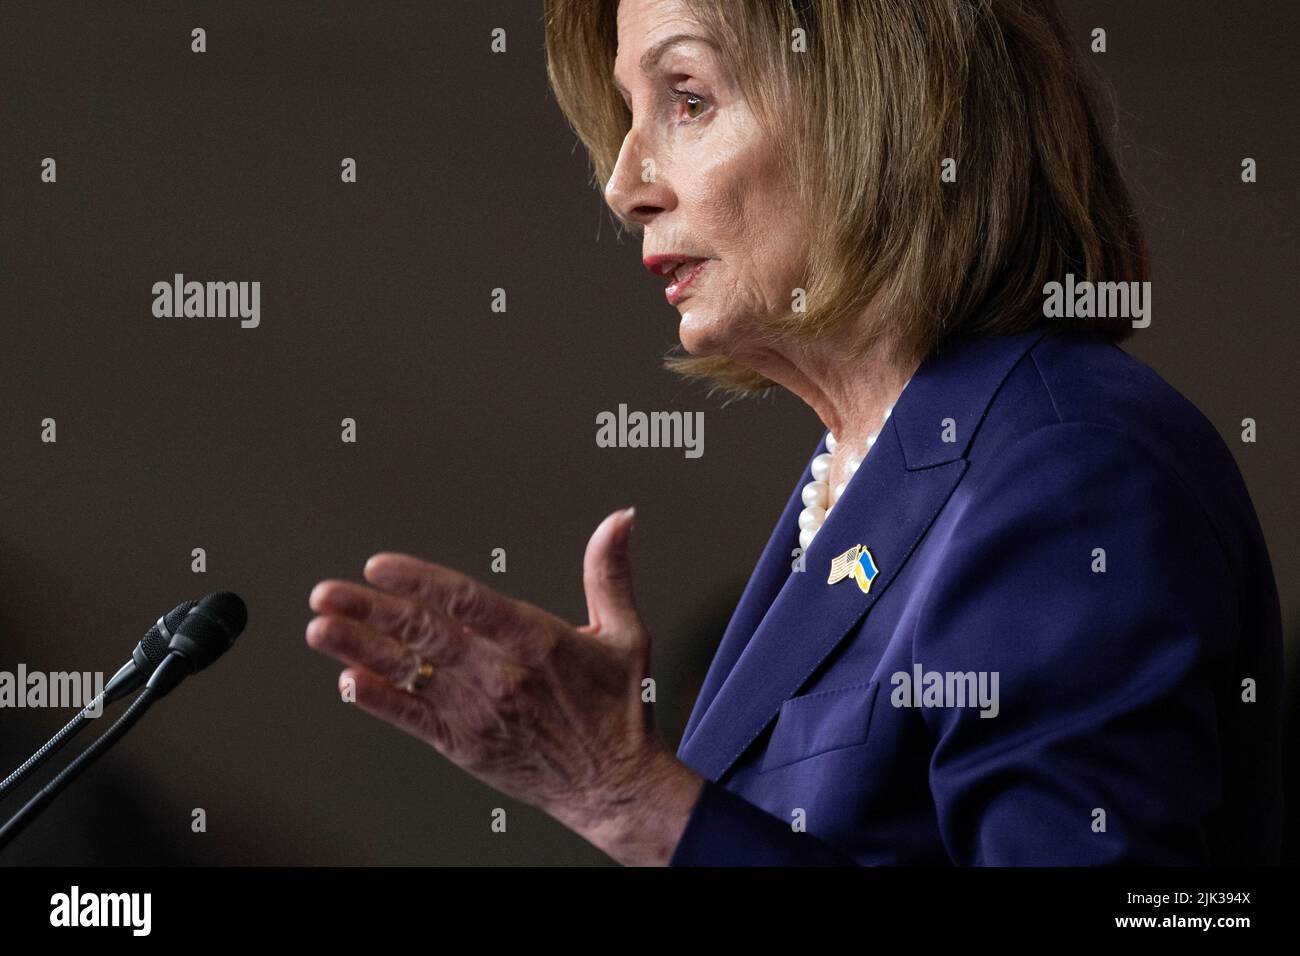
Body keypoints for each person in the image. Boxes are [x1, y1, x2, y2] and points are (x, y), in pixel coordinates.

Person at [304, 0, 1283, 865]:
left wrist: (627, 793)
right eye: (627, 114)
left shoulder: (1065, 469)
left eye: (684, 98)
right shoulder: (868, 470)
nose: (622, 181)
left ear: (881, 112)